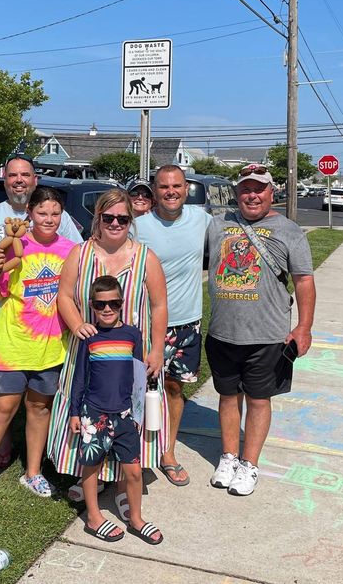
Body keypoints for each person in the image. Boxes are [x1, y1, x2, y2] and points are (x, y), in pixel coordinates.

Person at [48, 189, 167, 516]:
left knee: (129, 420)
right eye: (108, 217)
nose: (115, 223)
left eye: (122, 218)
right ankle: (93, 473)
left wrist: (157, 349)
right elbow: (64, 296)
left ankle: (121, 484)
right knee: (90, 414)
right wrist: (76, 325)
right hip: (90, 356)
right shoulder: (80, 253)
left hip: (132, 360)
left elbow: (159, 306)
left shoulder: (146, 257)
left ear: (131, 221)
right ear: (97, 219)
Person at [0, 153, 83, 466]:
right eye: (13, 175)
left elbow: (74, 255)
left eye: (25, 175)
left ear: (34, 180)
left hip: (47, 328)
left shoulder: (57, 217)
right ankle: (2, 446)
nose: (19, 180)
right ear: (5, 179)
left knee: (39, 399)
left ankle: (35, 459)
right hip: (3, 315)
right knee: (2, 400)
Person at [205, 163, 316, 496]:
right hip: (222, 332)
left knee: (258, 400)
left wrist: (304, 327)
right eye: (245, 190)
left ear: (272, 192)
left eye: (259, 189)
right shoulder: (217, 225)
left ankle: (249, 464)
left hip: (267, 336)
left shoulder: (289, 230)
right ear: (237, 194)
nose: (252, 196)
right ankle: (228, 457)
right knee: (227, 397)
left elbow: (304, 281)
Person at [133, 164, 211, 487]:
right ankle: (134, 452)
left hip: (185, 324)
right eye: (163, 186)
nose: (171, 191)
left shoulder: (202, 220)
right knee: (137, 390)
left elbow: (239, 232)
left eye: (177, 185)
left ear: (186, 188)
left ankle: (167, 451)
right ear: (155, 190)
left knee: (174, 389)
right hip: (145, 324)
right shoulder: (137, 226)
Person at [69, 276, 163, 545]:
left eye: (114, 303)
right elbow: (79, 376)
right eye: (101, 305)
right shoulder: (89, 336)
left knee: (133, 471)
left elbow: (137, 377)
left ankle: (136, 518)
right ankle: (94, 517)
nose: (107, 309)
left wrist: (137, 414)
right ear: (92, 305)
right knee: (90, 466)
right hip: (94, 413)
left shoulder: (133, 334)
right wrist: (76, 412)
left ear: (122, 303)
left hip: (124, 415)